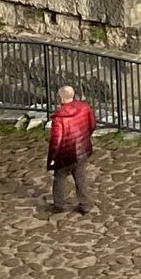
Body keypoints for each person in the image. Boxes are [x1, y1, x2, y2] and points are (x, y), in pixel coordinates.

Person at [47, 83, 96, 215]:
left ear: (61, 99)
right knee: (80, 177)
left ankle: (59, 204)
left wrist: (52, 159)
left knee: (60, 177)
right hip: (82, 149)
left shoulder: (59, 118)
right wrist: (85, 138)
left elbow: (56, 141)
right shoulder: (84, 107)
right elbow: (92, 124)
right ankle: (85, 204)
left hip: (66, 154)